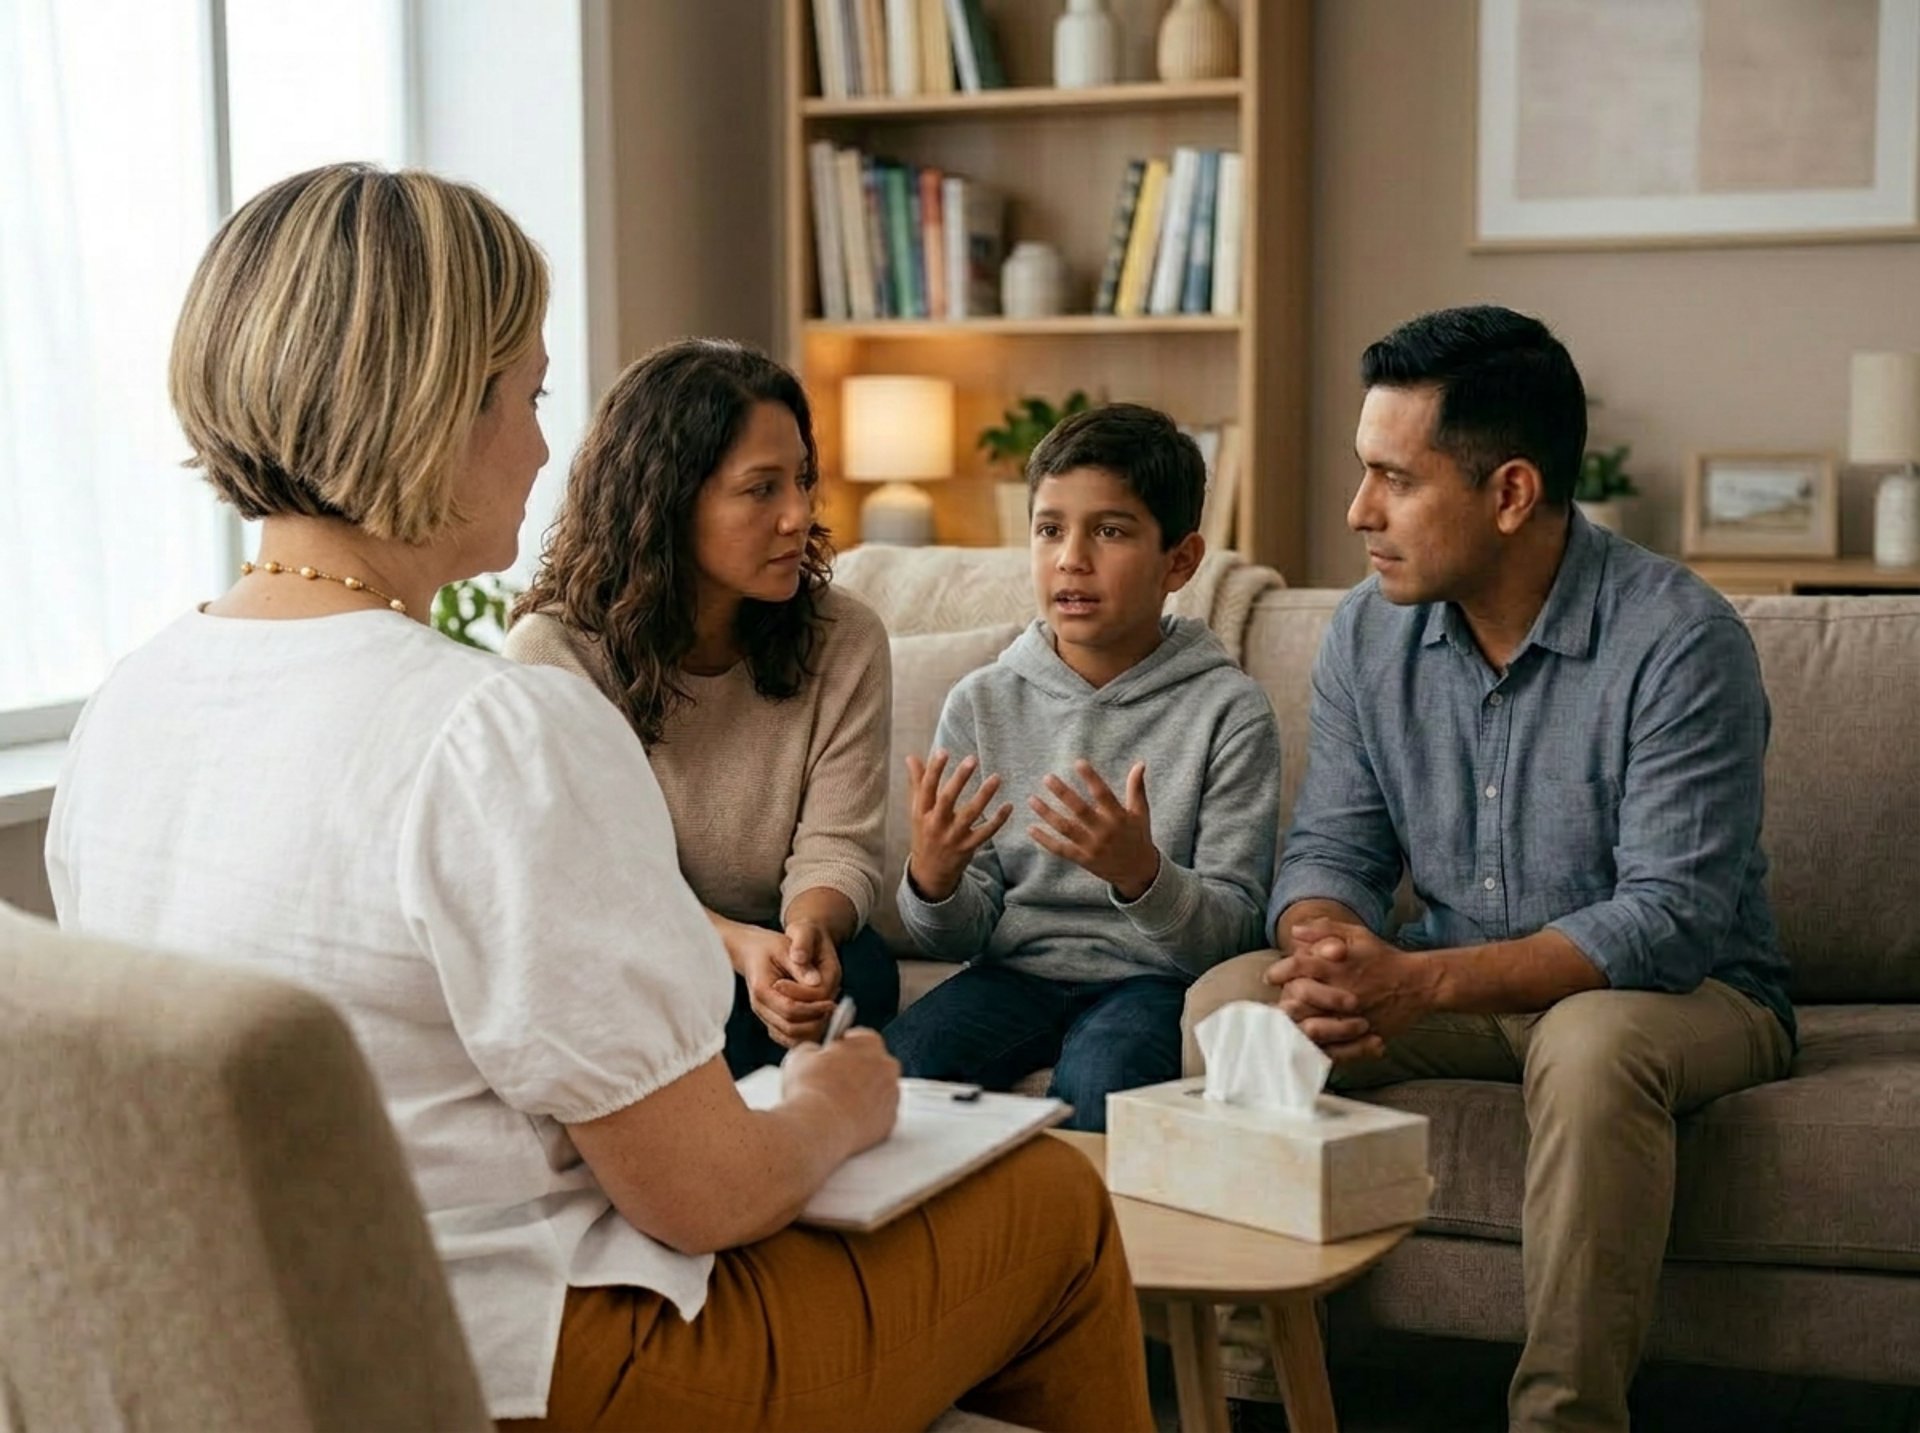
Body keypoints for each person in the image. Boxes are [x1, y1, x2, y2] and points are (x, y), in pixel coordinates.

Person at [45, 162, 1151, 1432]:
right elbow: (705, 1196)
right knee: (1058, 1205)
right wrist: (834, 1105)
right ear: (431, 412)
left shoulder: (133, 700)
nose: (538, 444)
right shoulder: (494, 727)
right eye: (528, 393)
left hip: (258, 1352)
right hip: (532, 1362)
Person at [1185, 305, 1794, 1432]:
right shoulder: (1371, 632)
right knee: (1235, 1002)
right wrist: (1326, 946)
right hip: (1459, 981)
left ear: (1510, 493)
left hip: (1687, 995)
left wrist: (1415, 982)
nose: (1357, 511)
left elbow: (1667, 919)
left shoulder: (1678, 638)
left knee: (1592, 1035)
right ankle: (1255, 1398)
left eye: (1392, 478)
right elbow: (1332, 847)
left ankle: (1563, 1419)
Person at [504, 339, 898, 1076]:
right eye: (761, 489)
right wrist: (737, 949)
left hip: (776, 930)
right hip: (635, 944)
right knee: (696, 997)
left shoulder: (845, 638)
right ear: (668, 498)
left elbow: (839, 844)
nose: (797, 515)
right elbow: (594, 883)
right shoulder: (554, 651)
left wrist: (805, 935)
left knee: (861, 971)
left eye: (801, 481)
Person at [884, 403, 1281, 1132]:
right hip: (1012, 975)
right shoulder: (982, 702)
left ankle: (1088, 1247)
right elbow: (957, 936)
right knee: (894, 1076)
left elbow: (1237, 934)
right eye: (1050, 529)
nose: (1071, 556)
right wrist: (934, 881)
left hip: (1153, 984)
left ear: (1181, 561)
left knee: (1105, 1081)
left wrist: (1142, 875)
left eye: (1110, 530)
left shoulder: (1230, 712)